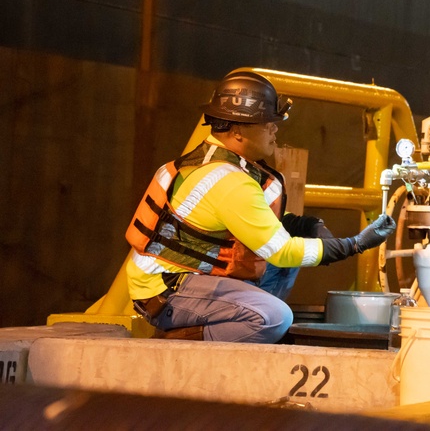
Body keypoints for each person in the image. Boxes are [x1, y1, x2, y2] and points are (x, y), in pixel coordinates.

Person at [124, 70, 396, 342]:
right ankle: (176, 341)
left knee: (285, 264)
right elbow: (282, 251)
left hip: (182, 277)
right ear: (238, 131)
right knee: (275, 317)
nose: (274, 129)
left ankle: (247, 324)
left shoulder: (216, 163)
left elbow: (254, 218)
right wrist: (355, 244)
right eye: (267, 123)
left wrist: (304, 225)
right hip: (166, 292)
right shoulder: (229, 181)